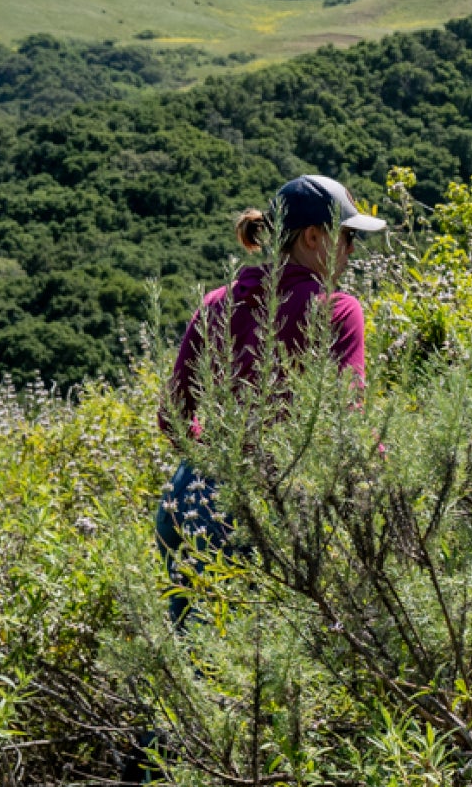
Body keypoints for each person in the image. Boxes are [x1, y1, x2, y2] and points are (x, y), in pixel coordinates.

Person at [154, 172, 388, 619]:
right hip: (269, 504)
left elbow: (174, 416)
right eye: (347, 239)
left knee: (202, 669)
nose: (352, 253)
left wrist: (218, 459)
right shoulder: (336, 309)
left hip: (187, 499)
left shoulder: (217, 303)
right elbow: (345, 418)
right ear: (314, 236)